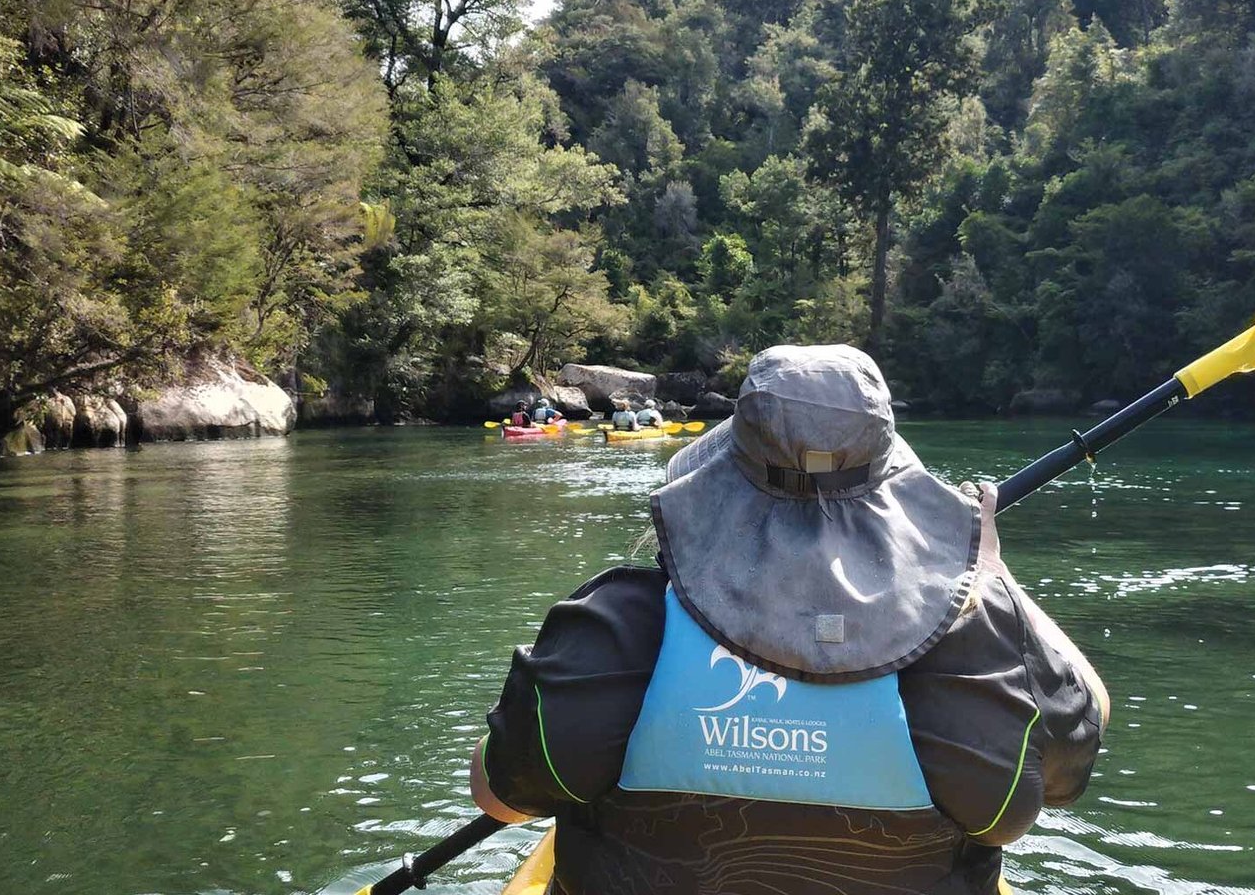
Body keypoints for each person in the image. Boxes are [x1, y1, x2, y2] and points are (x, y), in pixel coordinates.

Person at [471, 344, 1109, 895]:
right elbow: (1074, 744)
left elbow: (496, 796)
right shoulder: (977, 646)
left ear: (719, 483)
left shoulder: (615, 626)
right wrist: (990, 578)